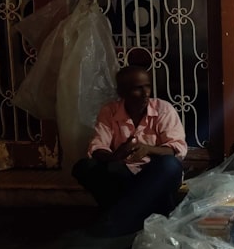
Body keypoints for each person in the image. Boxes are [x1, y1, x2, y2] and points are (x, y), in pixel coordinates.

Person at [72, 65, 187, 237]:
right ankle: (135, 215)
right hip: (124, 172)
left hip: (153, 174)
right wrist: (115, 155)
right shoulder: (109, 111)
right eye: (137, 88)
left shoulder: (163, 109)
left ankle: (117, 219)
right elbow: (96, 147)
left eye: (147, 86)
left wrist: (148, 149)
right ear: (122, 92)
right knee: (84, 167)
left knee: (169, 165)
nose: (145, 93)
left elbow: (177, 148)